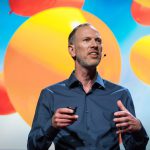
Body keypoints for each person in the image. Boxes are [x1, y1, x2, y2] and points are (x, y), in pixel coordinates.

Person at [27, 23, 149, 150]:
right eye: (86, 40)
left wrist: (138, 129)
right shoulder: (50, 94)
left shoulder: (120, 94)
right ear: (72, 50)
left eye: (98, 41)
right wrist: (51, 126)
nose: (94, 45)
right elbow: (34, 147)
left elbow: (135, 147)